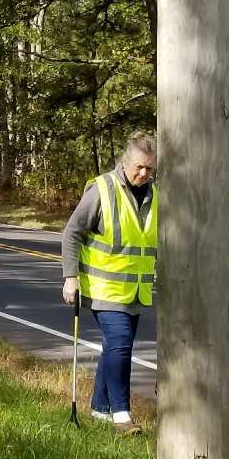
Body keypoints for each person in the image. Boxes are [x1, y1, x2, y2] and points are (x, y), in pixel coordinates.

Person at [61, 131, 157, 436]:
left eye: (150, 168)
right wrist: (70, 278)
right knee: (120, 343)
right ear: (125, 162)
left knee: (114, 347)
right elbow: (72, 232)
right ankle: (121, 415)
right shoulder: (102, 189)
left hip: (136, 290)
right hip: (102, 288)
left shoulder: (155, 195)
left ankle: (100, 407)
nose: (144, 173)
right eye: (139, 167)